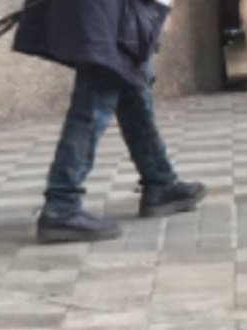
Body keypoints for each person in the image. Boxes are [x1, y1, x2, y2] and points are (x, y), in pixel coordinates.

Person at [14, 0, 206, 243]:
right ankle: (62, 205)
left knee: (131, 82)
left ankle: (160, 181)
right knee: (97, 95)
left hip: (105, 10)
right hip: (105, 11)